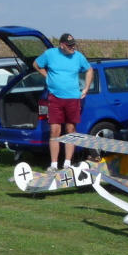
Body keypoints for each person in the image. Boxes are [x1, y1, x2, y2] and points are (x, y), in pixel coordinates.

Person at [33, 33, 93, 172]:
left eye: (74, 44)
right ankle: (54, 165)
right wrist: (47, 76)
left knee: (70, 130)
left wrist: (86, 88)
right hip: (55, 97)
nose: (73, 47)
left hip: (73, 98)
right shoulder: (50, 54)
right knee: (55, 130)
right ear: (62, 45)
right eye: (69, 45)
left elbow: (89, 70)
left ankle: (67, 163)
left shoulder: (78, 56)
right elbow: (36, 64)